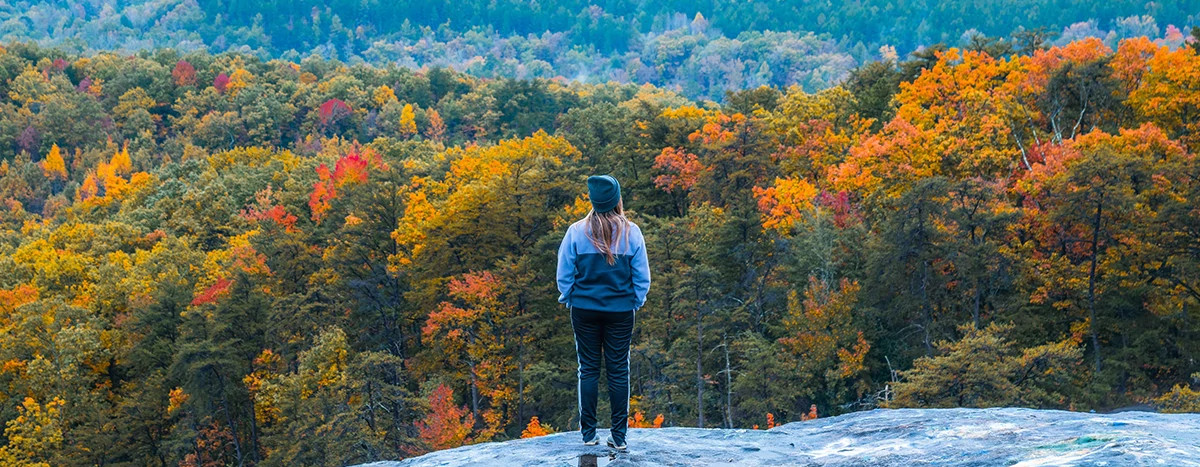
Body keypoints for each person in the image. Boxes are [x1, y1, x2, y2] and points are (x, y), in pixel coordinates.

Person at [556, 175, 650, 452]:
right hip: (621, 311)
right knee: (619, 371)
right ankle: (619, 438)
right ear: (617, 199)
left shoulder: (576, 231)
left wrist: (570, 297)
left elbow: (564, 275)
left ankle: (588, 434)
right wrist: (635, 302)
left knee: (588, 369)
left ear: (593, 200)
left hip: (584, 309)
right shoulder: (632, 232)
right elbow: (642, 278)